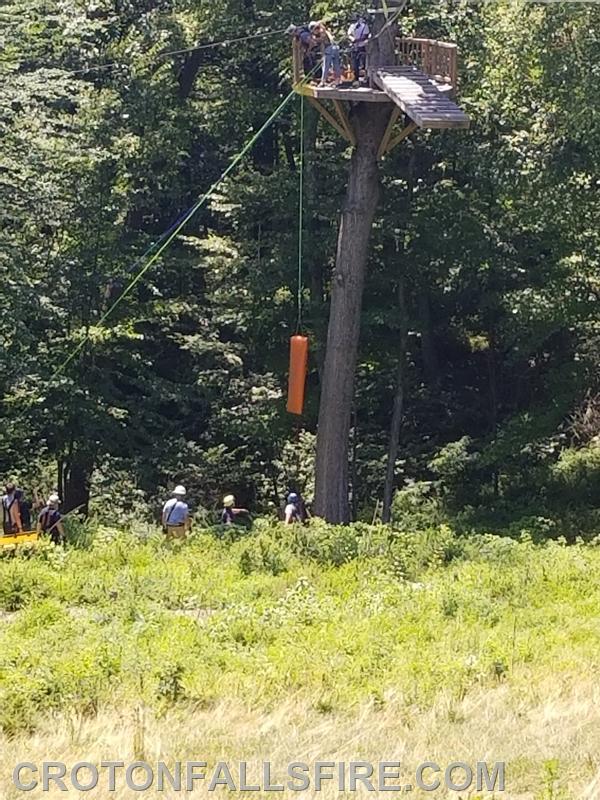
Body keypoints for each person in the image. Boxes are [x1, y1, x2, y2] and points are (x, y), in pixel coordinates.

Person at [309, 21, 341, 87]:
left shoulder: (322, 31)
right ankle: (337, 80)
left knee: (326, 66)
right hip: (334, 48)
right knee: (335, 65)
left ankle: (323, 81)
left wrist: (314, 40)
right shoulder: (324, 30)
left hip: (330, 49)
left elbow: (322, 39)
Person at [348, 13, 370, 83]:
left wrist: (358, 40)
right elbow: (349, 34)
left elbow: (365, 36)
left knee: (364, 63)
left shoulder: (364, 26)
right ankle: (356, 78)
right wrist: (352, 39)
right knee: (355, 64)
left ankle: (365, 78)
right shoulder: (352, 26)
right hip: (354, 47)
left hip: (362, 46)